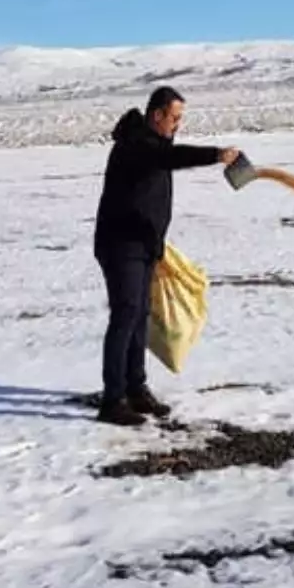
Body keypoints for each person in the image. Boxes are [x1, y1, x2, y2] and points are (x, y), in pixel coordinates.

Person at [93, 86, 239, 426]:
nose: (177, 125)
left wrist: (157, 244)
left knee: (141, 314)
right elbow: (170, 159)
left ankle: (136, 388)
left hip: (143, 245)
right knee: (126, 314)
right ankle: (112, 400)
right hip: (120, 244)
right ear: (156, 114)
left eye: (180, 119)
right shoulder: (136, 144)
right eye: (174, 118)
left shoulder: (155, 144)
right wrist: (216, 154)